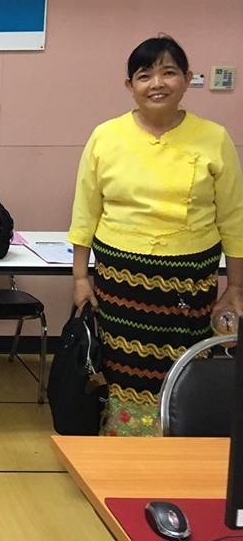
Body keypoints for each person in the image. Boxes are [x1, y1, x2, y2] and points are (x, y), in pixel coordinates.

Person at [69, 35, 243, 436]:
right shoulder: (106, 136)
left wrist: (235, 286)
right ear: (129, 85)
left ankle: (179, 446)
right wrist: (80, 277)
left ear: (187, 78)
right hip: (120, 280)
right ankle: (119, 445)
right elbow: (85, 213)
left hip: (189, 282)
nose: (157, 83)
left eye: (169, 72)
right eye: (145, 75)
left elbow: (233, 219)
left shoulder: (214, 138)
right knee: (118, 367)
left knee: (184, 368)